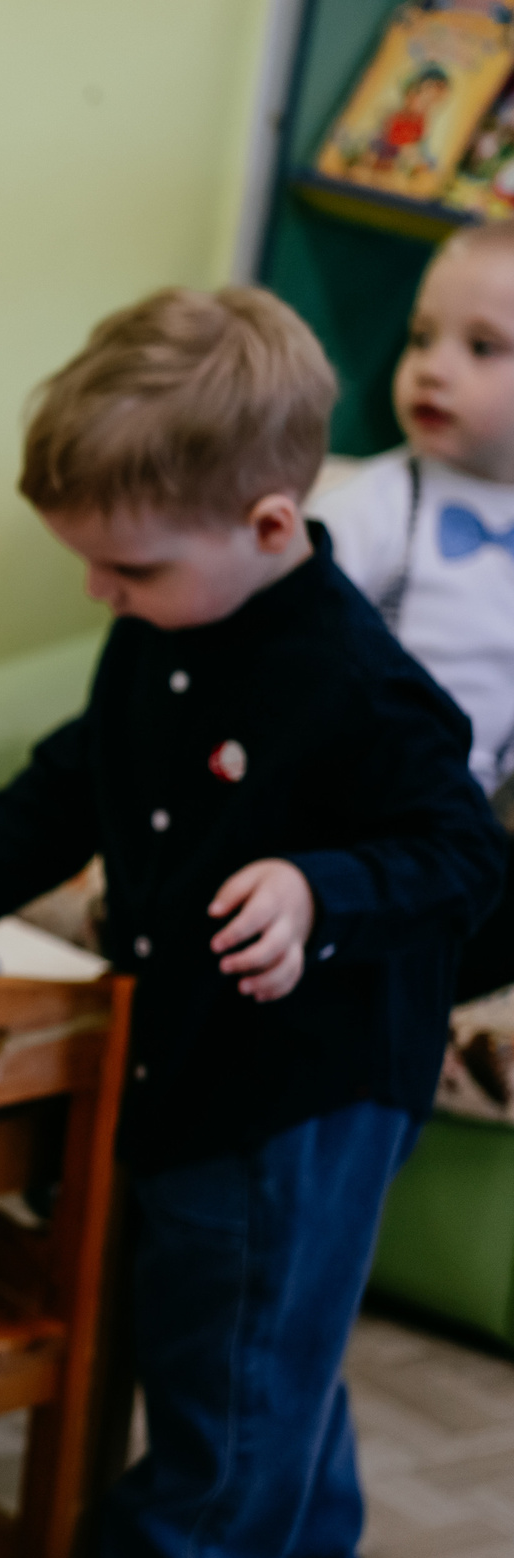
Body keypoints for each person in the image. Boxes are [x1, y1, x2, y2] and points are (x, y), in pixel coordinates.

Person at [0, 288, 506, 1558]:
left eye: (127, 566)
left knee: (229, 1350)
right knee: (273, 1326)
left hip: (305, 1079)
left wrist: (324, 889)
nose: (100, 596)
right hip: (192, 1045)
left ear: (267, 527)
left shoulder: (358, 684)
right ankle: (307, 1556)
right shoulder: (166, 628)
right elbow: (66, 785)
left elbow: (462, 858)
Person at [314, 218, 514, 996]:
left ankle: (427, 978)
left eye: (482, 347)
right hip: (368, 800)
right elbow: (294, 652)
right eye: (422, 337)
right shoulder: (372, 507)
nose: (432, 370)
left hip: (478, 816)